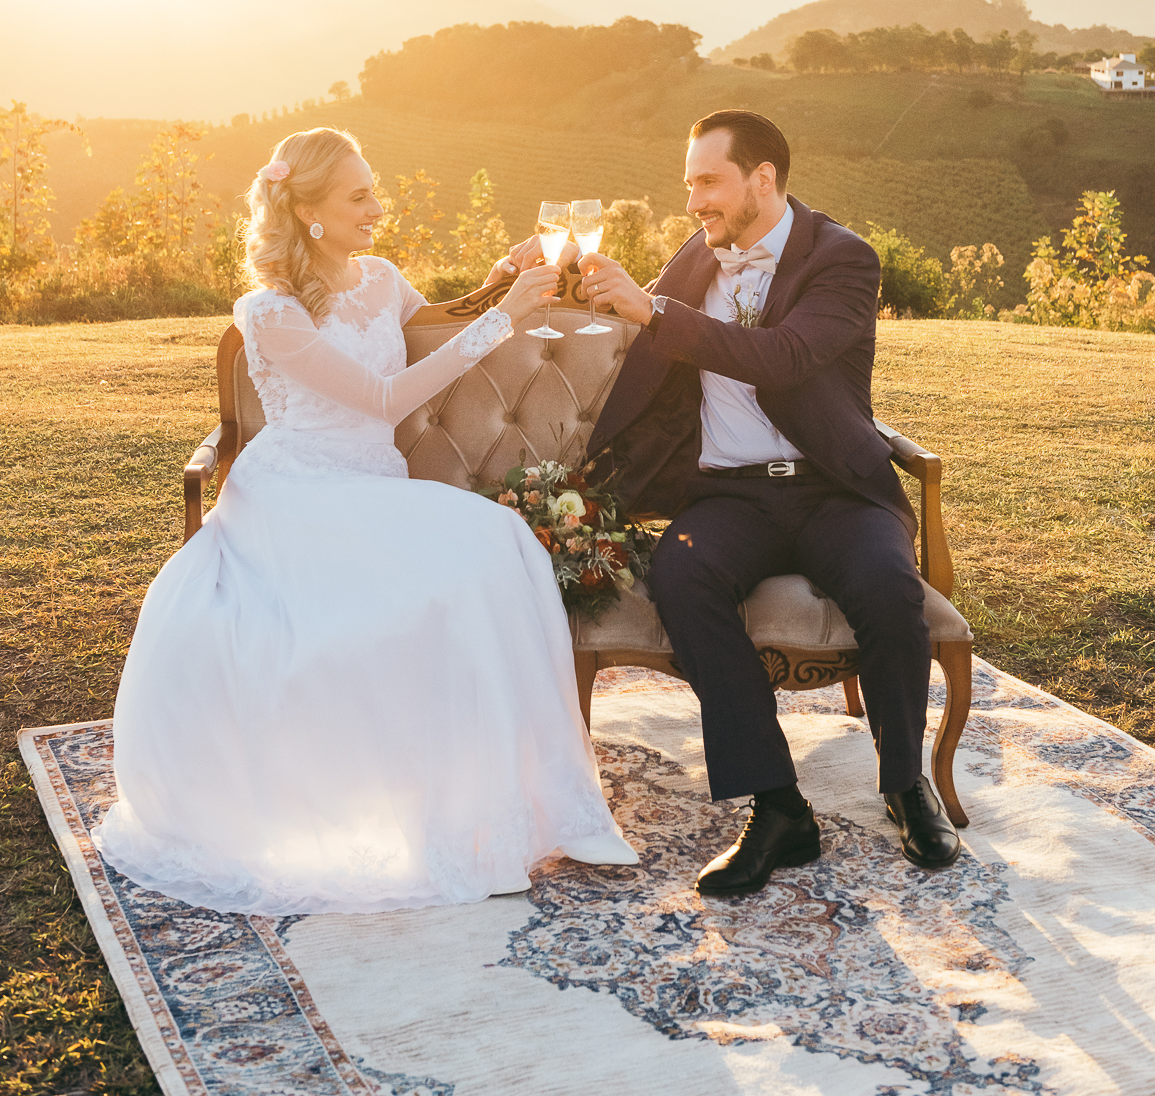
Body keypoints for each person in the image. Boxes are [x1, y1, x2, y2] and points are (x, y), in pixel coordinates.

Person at [94, 126, 636, 915]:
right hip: (297, 500)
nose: (378, 209)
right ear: (308, 212)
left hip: (375, 489)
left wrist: (501, 279)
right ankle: (462, 832)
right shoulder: (269, 313)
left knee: (502, 544)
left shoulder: (380, 277)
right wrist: (506, 320)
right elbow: (383, 398)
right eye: (359, 196)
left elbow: (438, 321)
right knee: (459, 569)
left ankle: (554, 809)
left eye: (374, 190)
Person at [578, 108, 959, 898]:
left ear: (762, 179)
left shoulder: (843, 258)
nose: (693, 202)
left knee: (890, 592)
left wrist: (655, 312)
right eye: (688, 185)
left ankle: (903, 784)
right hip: (729, 495)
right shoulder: (695, 258)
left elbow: (784, 358)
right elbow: (633, 329)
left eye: (707, 182)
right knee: (680, 579)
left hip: (834, 488)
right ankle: (777, 806)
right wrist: (555, 282)